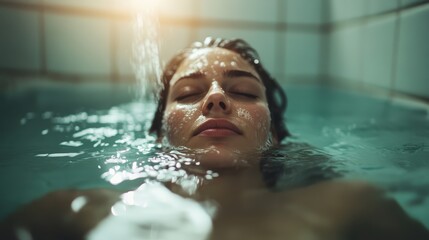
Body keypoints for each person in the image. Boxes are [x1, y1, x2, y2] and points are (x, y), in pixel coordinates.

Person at [1, 37, 428, 240]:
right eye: (188, 94)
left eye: (242, 92)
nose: (217, 100)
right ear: (159, 130)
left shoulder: (351, 208)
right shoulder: (68, 215)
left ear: (276, 134)